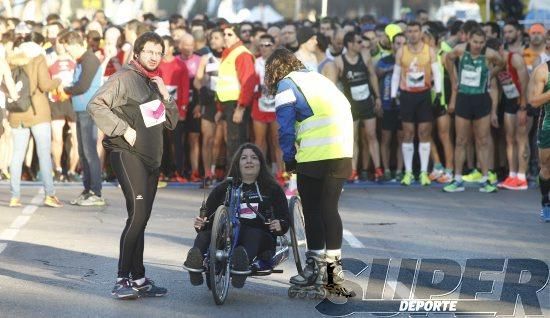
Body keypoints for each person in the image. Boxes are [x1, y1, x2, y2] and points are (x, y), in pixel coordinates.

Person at [87, 32, 179, 299]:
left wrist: (165, 95)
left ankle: (138, 278)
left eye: (158, 52)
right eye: (149, 51)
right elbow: (97, 105)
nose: (153, 56)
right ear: (137, 53)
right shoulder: (125, 78)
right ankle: (121, 279)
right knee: (137, 216)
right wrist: (122, 128)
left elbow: (169, 123)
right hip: (128, 154)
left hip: (150, 160)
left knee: (141, 219)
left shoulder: (151, 83)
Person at [265, 48, 355, 297]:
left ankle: (313, 268)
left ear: (274, 71)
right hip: (342, 149)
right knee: (330, 209)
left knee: (313, 211)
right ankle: (333, 273)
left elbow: (284, 128)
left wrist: (289, 158)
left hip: (315, 153)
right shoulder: (318, 78)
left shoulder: (286, 83)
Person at [183, 143, 289, 287]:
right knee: (204, 236)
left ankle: (241, 265)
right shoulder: (223, 188)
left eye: (254, 158)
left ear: (261, 163)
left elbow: (284, 219)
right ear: (237, 163)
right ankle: (195, 264)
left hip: (260, 236)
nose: (249, 161)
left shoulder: (273, 189)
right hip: (226, 235)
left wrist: (280, 224)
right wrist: (200, 224)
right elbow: (207, 219)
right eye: (244, 158)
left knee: (252, 235)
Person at [444, 28, 504, 193]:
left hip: (481, 99)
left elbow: (501, 63)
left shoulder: (490, 54)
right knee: (461, 140)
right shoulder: (460, 50)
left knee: (483, 140)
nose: (477, 46)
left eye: (481, 42)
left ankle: (485, 180)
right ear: (469, 40)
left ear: (484, 42)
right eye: (475, 42)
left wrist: (490, 75)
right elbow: (447, 59)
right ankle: (457, 180)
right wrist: (454, 79)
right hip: (464, 98)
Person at [7, 33, 63, 208]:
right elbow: (45, 85)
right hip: (38, 113)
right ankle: (49, 195)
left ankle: (15, 196)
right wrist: (58, 80)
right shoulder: (38, 58)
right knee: (44, 154)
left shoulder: (12, 61)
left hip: (17, 112)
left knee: (17, 155)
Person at [391, 21, 442, 186]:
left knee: (424, 133)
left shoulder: (429, 50)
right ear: (406, 33)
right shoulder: (401, 51)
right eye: (410, 31)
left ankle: (423, 173)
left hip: (424, 95)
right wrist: (393, 95)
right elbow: (396, 74)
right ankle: (408, 173)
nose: (412, 34)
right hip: (407, 95)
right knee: (408, 133)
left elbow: (437, 72)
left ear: (421, 33)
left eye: (415, 31)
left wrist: (439, 92)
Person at [61, 31, 105, 206]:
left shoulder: (90, 59)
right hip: (80, 110)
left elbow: (83, 85)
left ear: (75, 44)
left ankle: (96, 191)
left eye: (67, 48)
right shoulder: (81, 60)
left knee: (90, 152)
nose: (67, 52)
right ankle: (88, 189)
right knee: (82, 152)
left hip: (89, 110)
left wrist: (65, 89)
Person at [336, 31, 383, 182]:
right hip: (351, 106)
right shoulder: (339, 61)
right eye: (358, 42)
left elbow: (372, 75)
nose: (361, 44)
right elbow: (336, 84)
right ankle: (353, 170)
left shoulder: (365, 56)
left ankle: (378, 169)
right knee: (352, 138)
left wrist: (378, 97)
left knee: (371, 135)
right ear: (349, 44)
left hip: (367, 103)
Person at [216, 23, 256, 163]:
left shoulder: (242, 54)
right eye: (225, 34)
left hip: (237, 104)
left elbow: (248, 83)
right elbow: (223, 82)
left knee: (236, 142)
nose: (225, 37)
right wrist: (220, 109)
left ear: (238, 36)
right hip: (229, 104)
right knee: (232, 142)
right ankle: (234, 177)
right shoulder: (229, 52)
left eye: (230, 34)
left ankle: (236, 178)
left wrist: (241, 108)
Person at [528, 60, 550, 222]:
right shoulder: (543, 71)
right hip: (548, 124)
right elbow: (534, 101)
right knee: (546, 166)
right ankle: (546, 203)